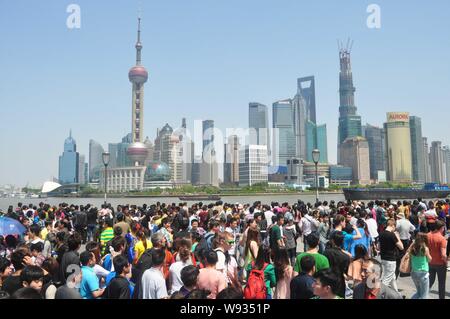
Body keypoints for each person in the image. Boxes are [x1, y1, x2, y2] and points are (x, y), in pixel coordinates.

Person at [378, 219, 404, 292]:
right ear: (393, 225)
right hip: (391, 259)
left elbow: (378, 247)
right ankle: (379, 294)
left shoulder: (381, 233)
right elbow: (401, 247)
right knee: (387, 279)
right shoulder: (392, 235)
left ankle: (396, 294)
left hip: (383, 258)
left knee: (392, 278)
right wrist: (398, 237)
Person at [427, 220, 448, 299]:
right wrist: (446, 261)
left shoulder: (427, 235)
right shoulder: (442, 239)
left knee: (429, 282)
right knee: (441, 284)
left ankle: (422, 295)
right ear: (442, 228)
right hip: (440, 264)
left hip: (430, 262)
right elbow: (443, 254)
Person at [409, 233, 432, 299]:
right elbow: (429, 259)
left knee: (418, 292)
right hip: (423, 273)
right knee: (424, 295)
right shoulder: (425, 249)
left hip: (414, 272)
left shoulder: (412, 248)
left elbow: (410, 257)